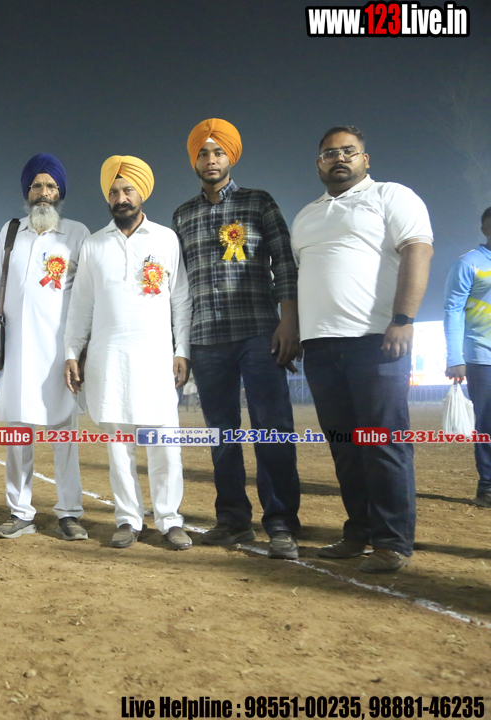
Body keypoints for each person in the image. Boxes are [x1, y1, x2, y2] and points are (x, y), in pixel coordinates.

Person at [291, 126, 433, 574]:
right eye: (329, 153)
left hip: (376, 341)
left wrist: (403, 319)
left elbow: (418, 251)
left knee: (383, 442)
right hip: (320, 346)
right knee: (345, 447)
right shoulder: (306, 216)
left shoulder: (391, 196)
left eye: (348, 151)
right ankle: (359, 531)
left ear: (365, 159)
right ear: (318, 164)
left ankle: (392, 541)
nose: (339, 158)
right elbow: (302, 278)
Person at [170, 118, 302, 560]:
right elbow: (178, 286)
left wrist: (289, 321)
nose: (211, 160)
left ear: (231, 157)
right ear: (194, 161)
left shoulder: (258, 202)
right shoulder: (182, 216)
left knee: (273, 429)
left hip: (259, 332)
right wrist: (180, 345)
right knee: (221, 435)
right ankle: (232, 520)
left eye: (218, 152)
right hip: (207, 339)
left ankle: (281, 523)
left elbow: (284, 263)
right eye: (203, 153)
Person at [64, 156, 193, 550]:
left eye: (127, 190)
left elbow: (181, 299)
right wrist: (72, 351)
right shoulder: (94, 244)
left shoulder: (165, 239)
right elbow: (81, 305)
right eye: (114, 192)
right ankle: (128, 519)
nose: (120, 198)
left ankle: (169, 519)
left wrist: (182, 349)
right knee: (119, 447)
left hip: (156, 359)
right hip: (109, 360)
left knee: (164, 445)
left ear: (142, 194)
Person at [0, 153, 89, 541]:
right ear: (27, 192)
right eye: (37, 185)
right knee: (17, 437)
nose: (44, 192)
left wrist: (81, 349)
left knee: (64, 437)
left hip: (61, 355)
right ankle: (20, 511)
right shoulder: (11, 232)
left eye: (51, 186)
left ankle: (69, 512)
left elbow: (87, 296)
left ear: (61, 193)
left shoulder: (76, 234)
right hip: (17, 354)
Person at [444, 207, 491, 506]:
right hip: (482, 357)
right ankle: (488, 485)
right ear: (485, 228)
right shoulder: (468, 263)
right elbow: (453, 310)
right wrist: (454, 356)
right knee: (487, 423)